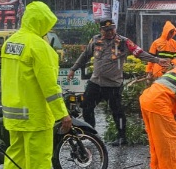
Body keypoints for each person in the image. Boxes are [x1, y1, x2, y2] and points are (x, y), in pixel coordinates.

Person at [1, 1, 72, 169]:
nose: (49, 29)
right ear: (40, 22)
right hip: (35, 114)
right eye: (47, 24)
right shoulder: (40, 47)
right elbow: (49, 87)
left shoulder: (10, 42)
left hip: (13, 113)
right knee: (39, 161)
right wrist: (62, 114)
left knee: (14, 158)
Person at [67, 18, 170, 146]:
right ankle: (90, 134)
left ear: (115, 28)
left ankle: (122, 137)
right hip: (96, 82)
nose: (110, 32)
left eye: (112, 29)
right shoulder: (95, 40)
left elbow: (139, 53)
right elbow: (85, 55)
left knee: (117, 111)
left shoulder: (124, 42)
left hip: (113, 85)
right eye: (107, 30)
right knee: (86, 107)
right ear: (101, 30)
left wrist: (157, 60)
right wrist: (73, 69)